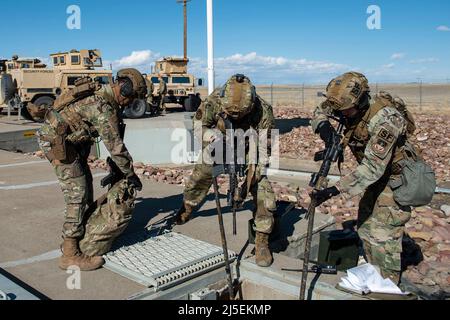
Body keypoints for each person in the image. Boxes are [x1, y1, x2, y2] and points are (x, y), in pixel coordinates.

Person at [310, 71, 434, 284]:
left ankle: (387, 284)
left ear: (360, 102)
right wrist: (325, 130)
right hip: (375, 178)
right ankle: (373, 272)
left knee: (382, 234)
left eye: (345, 110)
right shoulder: (343, 104)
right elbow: (319, 111)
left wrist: (333, 190)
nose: (340, 114)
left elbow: (372, 168)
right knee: (366, 225)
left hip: (397, 179)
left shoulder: (386, 119)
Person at [37, 68, 146, 271]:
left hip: (69, 143)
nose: (130, 103)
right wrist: (131, 176)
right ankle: (70, 255)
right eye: (131, 97)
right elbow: (116, 148)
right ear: (124, 88)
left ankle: (80, 236)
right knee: (77, 193)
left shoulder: (101, 96)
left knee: (85, 186)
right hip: (57, 143)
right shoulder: (102, 107)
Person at [176, 74, 277, 267]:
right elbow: (198, 125)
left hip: (250, 148)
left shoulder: (263, 110)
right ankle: (188, 206)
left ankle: (262, 240)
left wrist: (253, 176)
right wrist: (209, 135)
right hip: (219, 142)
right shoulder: (214, 100)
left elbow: (267, 144)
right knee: (200, 175)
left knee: (263, 190)